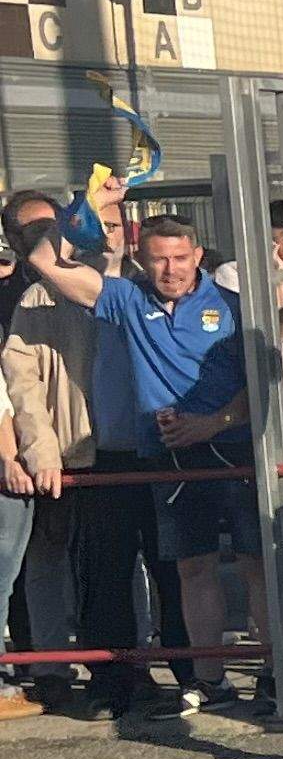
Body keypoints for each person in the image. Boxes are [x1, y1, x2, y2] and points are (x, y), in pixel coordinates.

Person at [17, 200, 268, 713]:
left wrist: (214, 422)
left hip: (234, 453)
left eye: (180, 258)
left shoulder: (233, 306)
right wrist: (86, 205)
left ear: (197, 255)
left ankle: (274, 673)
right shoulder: (126, 298)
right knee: (189, 569)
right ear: (142, 257)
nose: (170, 269)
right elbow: (44, 262)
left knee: (256, 566)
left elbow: (263, 380)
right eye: (159, 259)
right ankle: (208, 682)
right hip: (159, 458)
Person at [3, 184, 102, 716]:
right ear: (14, 238)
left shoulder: (98, 278)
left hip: (107, 446)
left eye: (55, 224)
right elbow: (19, 384)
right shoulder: (15, 298)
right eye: (37, 229)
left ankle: (119, 664)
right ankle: (48, 667)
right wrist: (29, 449)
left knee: (112, 563)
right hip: (41, 453)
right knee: (38, 561)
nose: (49, 235)